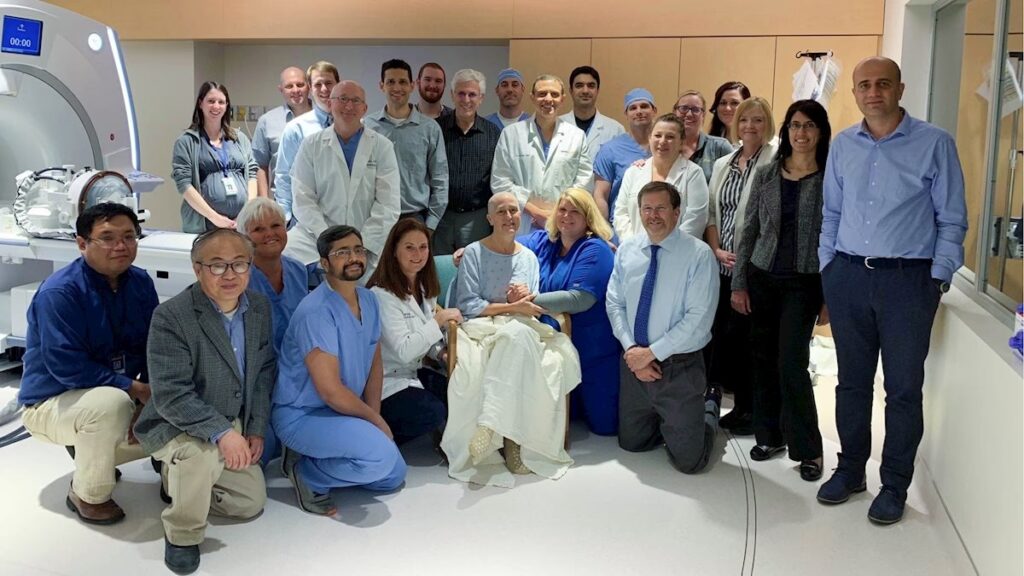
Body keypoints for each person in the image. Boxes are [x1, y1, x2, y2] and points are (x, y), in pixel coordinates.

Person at [816, 57, 967, 525]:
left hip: (908, 282)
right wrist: (828, 269)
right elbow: (831, 213)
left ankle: (895, 484)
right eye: (864, 85)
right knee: (851, 383)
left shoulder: (934, 143)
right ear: (855, 93)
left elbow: (952, 218)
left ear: (900, 88)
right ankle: (850, 471)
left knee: (902, 389)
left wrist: (937, 277)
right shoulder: (843, 145)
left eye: (883, 83)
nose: (873, 92)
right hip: (848, 277)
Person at [134, 229, 276, 575]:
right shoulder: (171, 316)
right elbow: (171, 394)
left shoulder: (258, 307)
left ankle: (177, 480)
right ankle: (182, 534)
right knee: (199, 456)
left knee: (249, 503)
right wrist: (222, 433)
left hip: (231, 416)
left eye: (239, 264)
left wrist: (255, 427)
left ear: (250, 266)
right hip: (176, 421)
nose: (230, 274)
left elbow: (263, 371)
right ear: (197, 269)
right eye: (217, 265)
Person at [18, 203, 157, 525]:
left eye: (129, 236)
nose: (120, 246)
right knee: (109, 406)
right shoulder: (60, 293)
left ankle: (110, 455)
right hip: (52, 400)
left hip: (113, 393)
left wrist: (149, 397)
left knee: (176, 393)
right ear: (82, 243)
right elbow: (67, 367)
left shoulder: (140, 283)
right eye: (107, 238)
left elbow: (154, 346)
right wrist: (134, 389)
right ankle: (87, 494)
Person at [443, 192, 581, 486]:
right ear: (489, 218)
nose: (509, 217)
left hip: (519, 325)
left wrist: (522, 300)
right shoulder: (474, 253)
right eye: (502, 212)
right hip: (482, 325)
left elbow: (529, 304)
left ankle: (492, 424)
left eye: (514, 211)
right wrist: (512, 306)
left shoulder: (528, 258)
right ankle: (512, 444)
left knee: (517, 334)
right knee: (513, 336)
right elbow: (468, 305)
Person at [272, 225, 407, 516]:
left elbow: (375, 364)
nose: (353, 257)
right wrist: (375, 422)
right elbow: (330, 391)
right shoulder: (317, 311)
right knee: (380, 458)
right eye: (342, 252)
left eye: (358, 250)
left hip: (343, 411)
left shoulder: (368, 300)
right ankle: (306, 474)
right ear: (324, 263)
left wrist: (374, 418)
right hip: (303, 415)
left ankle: (320, 459)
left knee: (393, 476)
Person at [730, 99, 832, 482]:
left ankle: (808, 449)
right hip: (763, 277)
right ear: (786, 131)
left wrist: (829, 297)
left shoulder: (830, 178)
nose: (801, 133)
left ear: (820, 132)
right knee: (763, 359)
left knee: (791, 362)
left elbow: (834, 239)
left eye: (809, 125)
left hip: (805, 282)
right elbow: (749, 230)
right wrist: (740, 282)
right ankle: (770, 436)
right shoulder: (768, 173)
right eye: (795, 125)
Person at [606, 181, 720, 473]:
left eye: (661, 208)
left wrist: (651, 353)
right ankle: (671, 421)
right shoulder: (627, 250)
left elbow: (698, 319)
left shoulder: (699, 255)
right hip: (634, 365)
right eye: (647, 209)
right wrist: (633, 351)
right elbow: (614, 304)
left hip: (679, 367)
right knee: (632, 444)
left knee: (690, 463)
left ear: (677, 212)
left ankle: (708, 406)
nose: (653, 215)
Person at [704, 96, 778, 437]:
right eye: (745, 120)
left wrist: (744, 264)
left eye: (758, 120)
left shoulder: (774, 160)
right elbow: (712, 213)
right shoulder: (724, 163)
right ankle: (741, 407)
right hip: (723, 266)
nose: (750, 126)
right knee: (730, 340)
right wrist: (717, 249)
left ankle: (755, 411)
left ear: (768, 125)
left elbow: (766, 221)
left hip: (755, 268)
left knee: (754, 344)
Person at [519, 188, 620, 435]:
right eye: (562, 209)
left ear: (588, 217)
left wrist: (525, 301)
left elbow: (579, 299)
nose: (566, 216)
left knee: (604, 427)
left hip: (593, 353)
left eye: (575, 211)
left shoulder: (596, 248)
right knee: (564, 418)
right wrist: (472, 250)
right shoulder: (545, 240)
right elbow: (506, 244)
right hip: (557, 348)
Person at [286, 80, 401, 281]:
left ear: (365, 108)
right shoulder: (311, 145)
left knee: (369, 287)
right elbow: (303, 199)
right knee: (286, 257)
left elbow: (388, 204)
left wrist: (359, 245)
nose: (349, 106)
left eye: (356, 101)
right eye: (343, 99)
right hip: (317, 236)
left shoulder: (382, 146)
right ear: (330, 104)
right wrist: (329, 240)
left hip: (367, 239)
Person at [368, 218, 461, 445]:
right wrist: (439, 320)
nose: (417, 254)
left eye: (423, 247)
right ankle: (377, 439)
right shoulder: (382, 295)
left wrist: (440, 354)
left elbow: (425, 338)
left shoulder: (424, 287)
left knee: (460, 395)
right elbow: (404, 350)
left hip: (413, 373)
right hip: (387, 382)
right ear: (394, 251)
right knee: (433, 413)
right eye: (409, 247)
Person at [235, 197, 309, 467]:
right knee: (259, 457)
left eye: (276, 225)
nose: (269, 234)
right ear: (244, 237)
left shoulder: (299, 271)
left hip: (298, 379)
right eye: (258, 229)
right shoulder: (237, 279)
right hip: (255, 385)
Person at [491, 74, 593, 234]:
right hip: (522, 221)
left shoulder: (576, 136)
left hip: (564, 222)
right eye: (542, 94)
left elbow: (584, 183)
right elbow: (500, 182)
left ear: (563, 99)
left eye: (554, 94)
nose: (548, 99)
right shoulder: (511, 134)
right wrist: (535, 212)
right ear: (532, 97)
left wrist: (558, 212)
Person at [364, 59, 448, 228]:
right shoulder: (367, 126)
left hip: (415, 217)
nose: (397, 88)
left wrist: (430, 224)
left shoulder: (429, 128)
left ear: (412, 86)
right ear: (381, 86)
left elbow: (440, 179)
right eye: (390, 82)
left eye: (402, 82)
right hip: (376, 216)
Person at [172, 81, 258, 233]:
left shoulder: (240, 138)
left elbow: (252, 175)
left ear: (227, 105)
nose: (216, 106)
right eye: (211, 101)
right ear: (200, 103)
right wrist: (214, 217)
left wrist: (246, 214)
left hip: (240, 224)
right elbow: (183, 184)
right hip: (204, 225)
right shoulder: (186, 142)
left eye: (221, 102)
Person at [433, 69, 503, 254]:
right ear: (452, 95)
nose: (466, 99)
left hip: (477, 218)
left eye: (472, 94)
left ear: (481, 98)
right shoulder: (435, 129)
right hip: (441, 217)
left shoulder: (493, 133)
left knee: (475, 266)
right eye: (461, 93)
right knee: (439, 266)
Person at [614, 114, 708, 241]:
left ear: (681, 142)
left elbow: (696, 219)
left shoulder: (693, 173)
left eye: (670, 137)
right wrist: (634, 244)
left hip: (679, 249)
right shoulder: (633, 172)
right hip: (636, 248)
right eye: (658, 135)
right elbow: (621, 214)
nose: (662, 141)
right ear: (650, 138)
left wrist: (665, 247)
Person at [274, 61, 341, 223]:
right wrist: (285, 218)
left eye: (329, 83)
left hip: (344, 216)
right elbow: (283, 176)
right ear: (310, 88)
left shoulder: (354, 125)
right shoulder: (295, 128)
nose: (324, 89)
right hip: (306, 219)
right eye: (318, 84)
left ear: (338, 85)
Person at [593, 88, 657, 223]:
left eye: (644, 106)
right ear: (626, 114)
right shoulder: (610, 150)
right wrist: (604, 231)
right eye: (633, 108)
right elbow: (600, 195)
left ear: (654, 111)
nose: (639, 111)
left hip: (659, 223)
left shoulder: (664, 147)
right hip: (622, 226)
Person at [251, 66, 312, 199]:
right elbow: (260, 164)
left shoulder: (326, 118)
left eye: (300, 85)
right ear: (281, 90)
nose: (295, 90)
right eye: (289, 86)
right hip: (282, 201)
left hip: (320, 201)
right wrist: (265, 201)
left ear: (309, 86)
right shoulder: (267, 121)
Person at [559, 65, 625, 159]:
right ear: (571, 91)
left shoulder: (615, 130)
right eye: (579, 86)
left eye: (591, 86)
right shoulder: (556, 126)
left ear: (597, 90)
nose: (585, 91)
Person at [673, 89, 734, 183]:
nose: (689, 114)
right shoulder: (666, 145)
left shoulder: (720, 147)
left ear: (703, 115)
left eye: (695, 110)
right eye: (684, 108)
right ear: (674, 112)